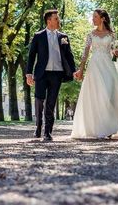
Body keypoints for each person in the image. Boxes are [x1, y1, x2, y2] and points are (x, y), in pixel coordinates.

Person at [71, 9, 118, 139]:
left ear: (103, 18)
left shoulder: (112, 35)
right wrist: (81, 70)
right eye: (93, 17)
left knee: (108, 94)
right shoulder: (90, 34)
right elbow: (85, 54)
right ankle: (103, 128)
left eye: (95, 17)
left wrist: (116, 54)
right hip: (94, 66)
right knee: (97, 96)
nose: (93, 19)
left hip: (108, 66)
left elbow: (113, 56)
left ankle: (111, 126)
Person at [26, 9, 76, 141]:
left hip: (57, 74)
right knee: (39, 100)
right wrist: (28, 74)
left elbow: (69, 56)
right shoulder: (38, 36)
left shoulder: (63, 37)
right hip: (41, 73)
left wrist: (74, 70)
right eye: (56, 18)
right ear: (49, 20)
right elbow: (31, 56)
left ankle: (47, 132)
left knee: (51, 103)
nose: (58, 20)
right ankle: (38, 126)